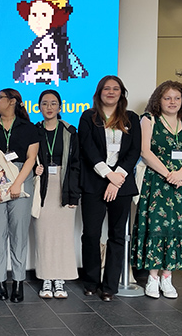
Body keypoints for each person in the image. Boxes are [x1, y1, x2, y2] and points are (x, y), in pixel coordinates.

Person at [131, 81, 182, 299]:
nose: (172, 102)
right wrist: (168, 174)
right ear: (158, 100)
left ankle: (167, 277)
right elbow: (144, 151)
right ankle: (152, 278)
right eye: (167, 98)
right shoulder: (149, 120)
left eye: (177, 98)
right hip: (157, 183)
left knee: (177, 227)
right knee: (157, 226)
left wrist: (179, 174)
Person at [78, 75, 140, 302]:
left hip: (121, 185)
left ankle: (109, 286)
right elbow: (87, 148)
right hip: (95, 184)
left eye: (116, 89)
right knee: (91, 234)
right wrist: (108, 175)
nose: (111, 92)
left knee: (117, 236)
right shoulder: (88, 117)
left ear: (121, 93)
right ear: (99, 92)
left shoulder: (131, 118)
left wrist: (117, 178)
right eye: (107, 88)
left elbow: (134, 151)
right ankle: (91, 281)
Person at [0, 88, 39, 303]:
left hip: (22, 180)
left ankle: (18, 282)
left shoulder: (29, 128)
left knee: (19, 234)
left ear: (12, 102)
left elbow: (31, 158)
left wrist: (17, 184)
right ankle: (0, 281)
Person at [33, 89, 81, 299]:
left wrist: (73, 195)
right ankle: (46, 278)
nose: (49, 107)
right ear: (39, 106)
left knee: (62, 236)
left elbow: (77, 165)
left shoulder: (70, 131)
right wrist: (35, 168)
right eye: (44, 103)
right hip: (42, 186)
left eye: (53, 103)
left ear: (60, 107)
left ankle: (60, 279)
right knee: (43, 235)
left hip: (65, 185)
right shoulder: (34, 131)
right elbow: (28, 157)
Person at [14, 0, 87, 86]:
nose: (38, 20)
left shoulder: (57, 48)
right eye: (34, 15)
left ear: (54, 18)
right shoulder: (33, 48)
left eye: (44, 15)